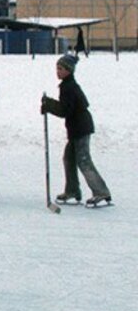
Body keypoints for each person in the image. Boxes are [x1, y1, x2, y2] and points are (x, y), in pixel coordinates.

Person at [41, 54, 112, 207]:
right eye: (57, 68)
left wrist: (49, 105)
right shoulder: (67, 85)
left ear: (69, 70)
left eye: (60, 69)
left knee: (83, 161)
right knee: (69, 159)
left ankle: (101, 191)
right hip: (76, 129)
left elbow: (65, 110)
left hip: (81, 128)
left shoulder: (70, 87)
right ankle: (72, 190)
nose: (57, 72)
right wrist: (50, 104)